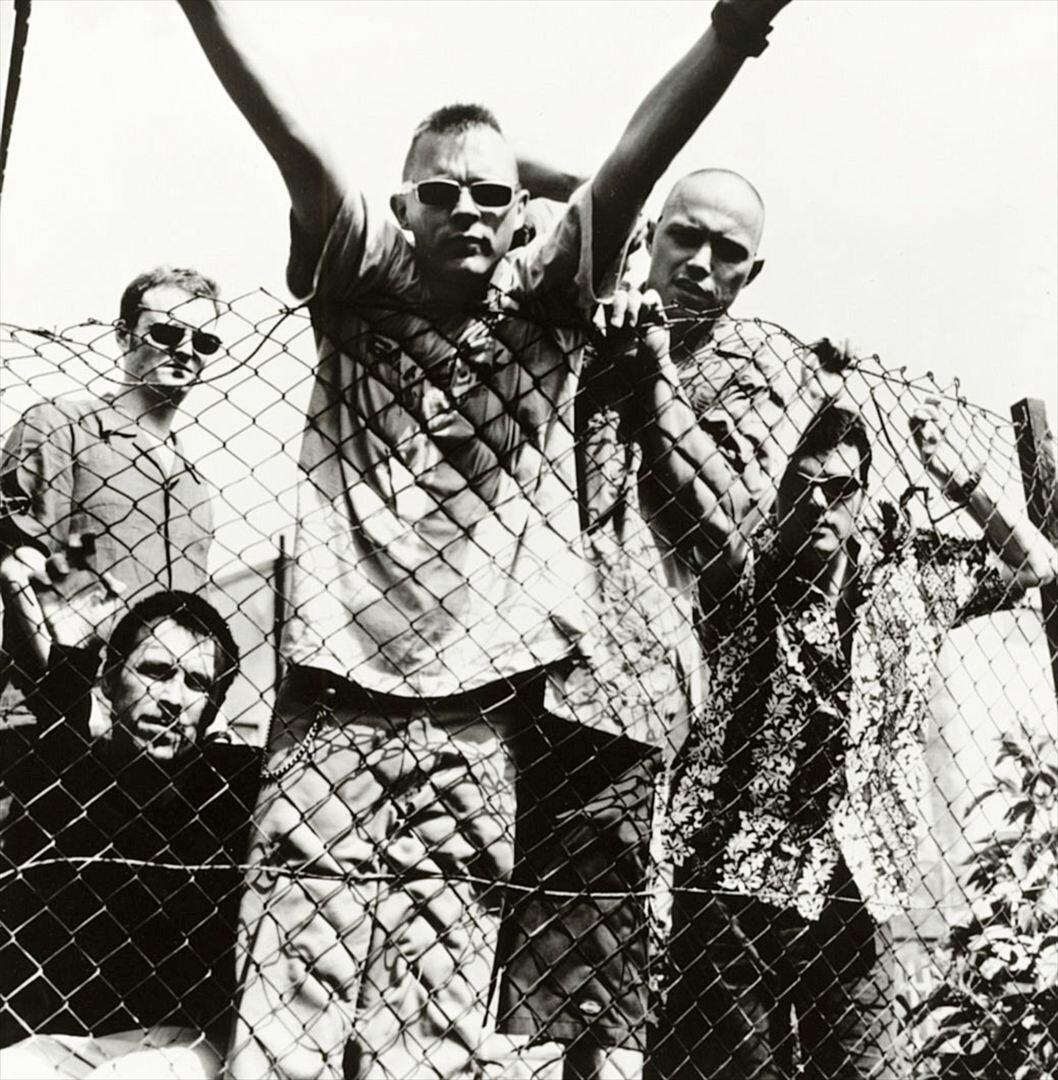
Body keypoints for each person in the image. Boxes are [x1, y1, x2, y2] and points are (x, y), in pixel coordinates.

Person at [177, 0, 793, 1075]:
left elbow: (634, 164)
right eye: (441, 192)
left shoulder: (551, 306)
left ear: (522, 215)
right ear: (401, 204)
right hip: (335, 695)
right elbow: (293, 137)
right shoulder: (358, 279)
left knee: (433, 1018)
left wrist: (733, 31)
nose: (467, 208)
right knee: (293, 1001)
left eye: (493, 196)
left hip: (476, 713)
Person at [497, 169, 832, 1079]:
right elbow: (510, 173)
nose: (701, 263)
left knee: (568, 1011)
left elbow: (730, 535)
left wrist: (650, 370)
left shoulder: (760, 374)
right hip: (497, 667)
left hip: (616, 699)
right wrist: (599, 282)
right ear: (650, 233)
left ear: (751, 275)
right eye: (686, 236)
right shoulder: (573, 309)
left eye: (728, 252)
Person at [646, 386, 1058, 1076]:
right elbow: (695, 503)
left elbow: (1035, 564)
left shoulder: (909, 579)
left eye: (839, 488)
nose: (819, 504)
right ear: (781, 493)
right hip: (733, 880)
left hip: (853, 884)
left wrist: (959, 481)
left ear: (862, 496)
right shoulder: (746, 571)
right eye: (802, 487)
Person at [0, 546, 259, 1079]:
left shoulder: (234, 783)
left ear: (214, 707)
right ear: (110, 681)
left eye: (197, 683)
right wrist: (63, 648)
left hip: (183, 1040)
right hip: (55, 1039)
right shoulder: (61, 767)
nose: (174, 698)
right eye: (156, 672)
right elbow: (59, 730)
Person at [0, 266, 222, 772]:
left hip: (152, 738)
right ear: (124, 336)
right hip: (49, 720)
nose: (186, 351)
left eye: (204, 341)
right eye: (168, 333)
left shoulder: (194, 486)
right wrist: (77, 693)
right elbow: (18, 571)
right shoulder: (60, 427)